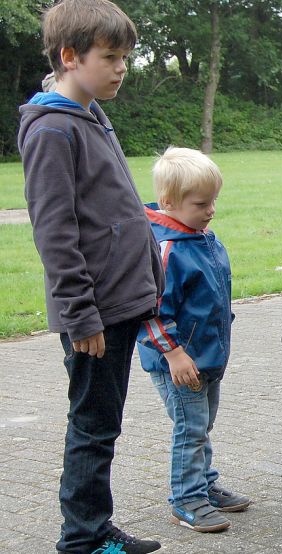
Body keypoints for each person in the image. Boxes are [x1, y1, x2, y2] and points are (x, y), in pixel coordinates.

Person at [17, 1, 165, 552]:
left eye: (125, 57)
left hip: (119, 304)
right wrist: (81, 314)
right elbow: (56, 233)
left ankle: (94, 527)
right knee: (93, 427)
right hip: (94, 314)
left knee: (103, 425)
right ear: (70, 56)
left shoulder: (89, 114)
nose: (122, 68)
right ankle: (82, 538)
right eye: (111, 57)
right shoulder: (53, 130)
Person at [137, 148, 250, 534]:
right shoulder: (166, 250)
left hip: (209, 356)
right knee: (191, 427)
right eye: (201, 203)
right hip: (180, 362)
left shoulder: (201, 237)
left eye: (214, 200)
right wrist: (174, 353)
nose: (211, 210)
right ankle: (186, 499)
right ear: (168, 203)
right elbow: (150, 312)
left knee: (201, 425)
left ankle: (203, 483)